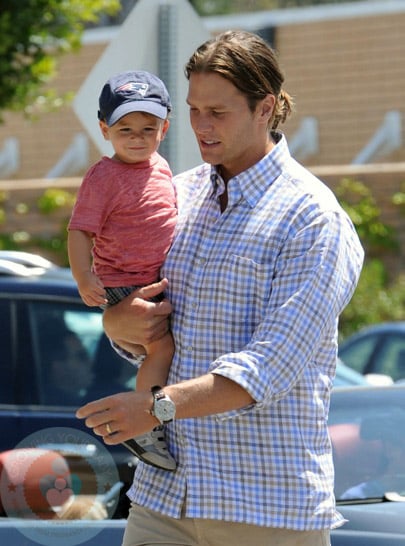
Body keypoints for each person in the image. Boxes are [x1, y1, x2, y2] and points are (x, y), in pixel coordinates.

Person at [76, 30, 364, 546]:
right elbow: (141, 320)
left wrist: (156, 406)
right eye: (192, 110)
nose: (201, 127)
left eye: (219, 112)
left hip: (266, 511)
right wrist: (117, 324)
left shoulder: (313, 219)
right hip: (164, 502)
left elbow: (270, 366)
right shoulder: (174, 193)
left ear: (265, 108)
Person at [68, 70, 177, 471]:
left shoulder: (162, 167)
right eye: (125, 127)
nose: (137, 137)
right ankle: (147, 422)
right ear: (104, 129)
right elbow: (80, 231)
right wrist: (83, 277)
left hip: (153, 279)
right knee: (161, 347)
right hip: (123, 283)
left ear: (164, 129)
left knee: (166, 348)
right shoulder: (103, 176)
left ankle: (158, 412)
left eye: (148, 128)